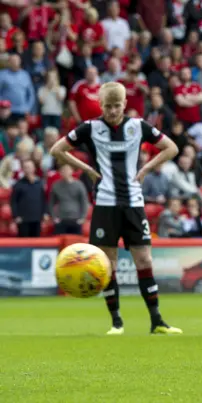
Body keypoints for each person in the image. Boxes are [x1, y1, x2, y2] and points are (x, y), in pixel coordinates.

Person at [50, 82, 182, 336]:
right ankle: (117, 322)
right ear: (100, 106)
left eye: (117, 106)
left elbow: (172, 148)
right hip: (105, 204)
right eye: (108, 106)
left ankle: (157, 321)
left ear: (125, 105)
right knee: (106, 263)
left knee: (144, 260)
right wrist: (87, 170)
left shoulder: (137, 126)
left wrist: (145, 169)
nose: (112, 111)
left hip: (134, 203)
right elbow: (57, 150)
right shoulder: (91, 128)